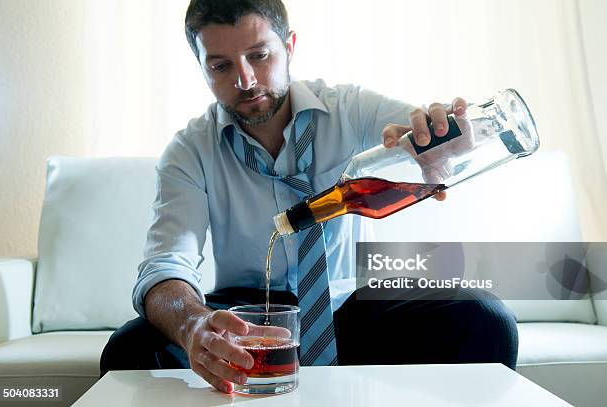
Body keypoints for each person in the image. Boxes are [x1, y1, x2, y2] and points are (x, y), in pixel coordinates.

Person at [100, 0, 518, 394]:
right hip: (247, 322)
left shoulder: (349, 108)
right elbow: (166, 262)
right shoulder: (189, 151)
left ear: (289, 46)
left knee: (485, 320)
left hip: (349, 308)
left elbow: (427, 134)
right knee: (130, 348)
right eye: (221, 65)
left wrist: (449, 138)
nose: (244, 80)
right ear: (202, 68)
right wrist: (195, 326)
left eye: (259, 55)